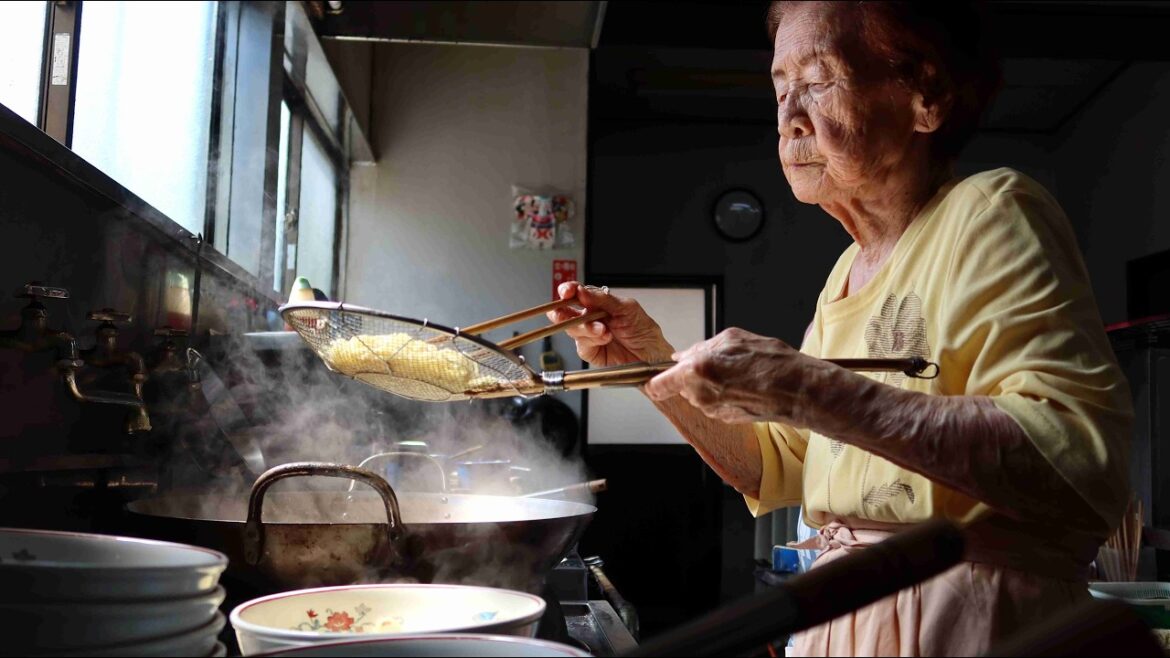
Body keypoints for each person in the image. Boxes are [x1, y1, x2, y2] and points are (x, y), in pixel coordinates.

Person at [550, 2, 1132, 655]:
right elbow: (775, 466)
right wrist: (652, 363)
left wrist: (808, 389)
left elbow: (1077, 464)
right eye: (780, 90)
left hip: (966, 623)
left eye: (819, 80)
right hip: (845, 619)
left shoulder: (990, 212)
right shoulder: (846, 271)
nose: (789, 118)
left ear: (927, 96)